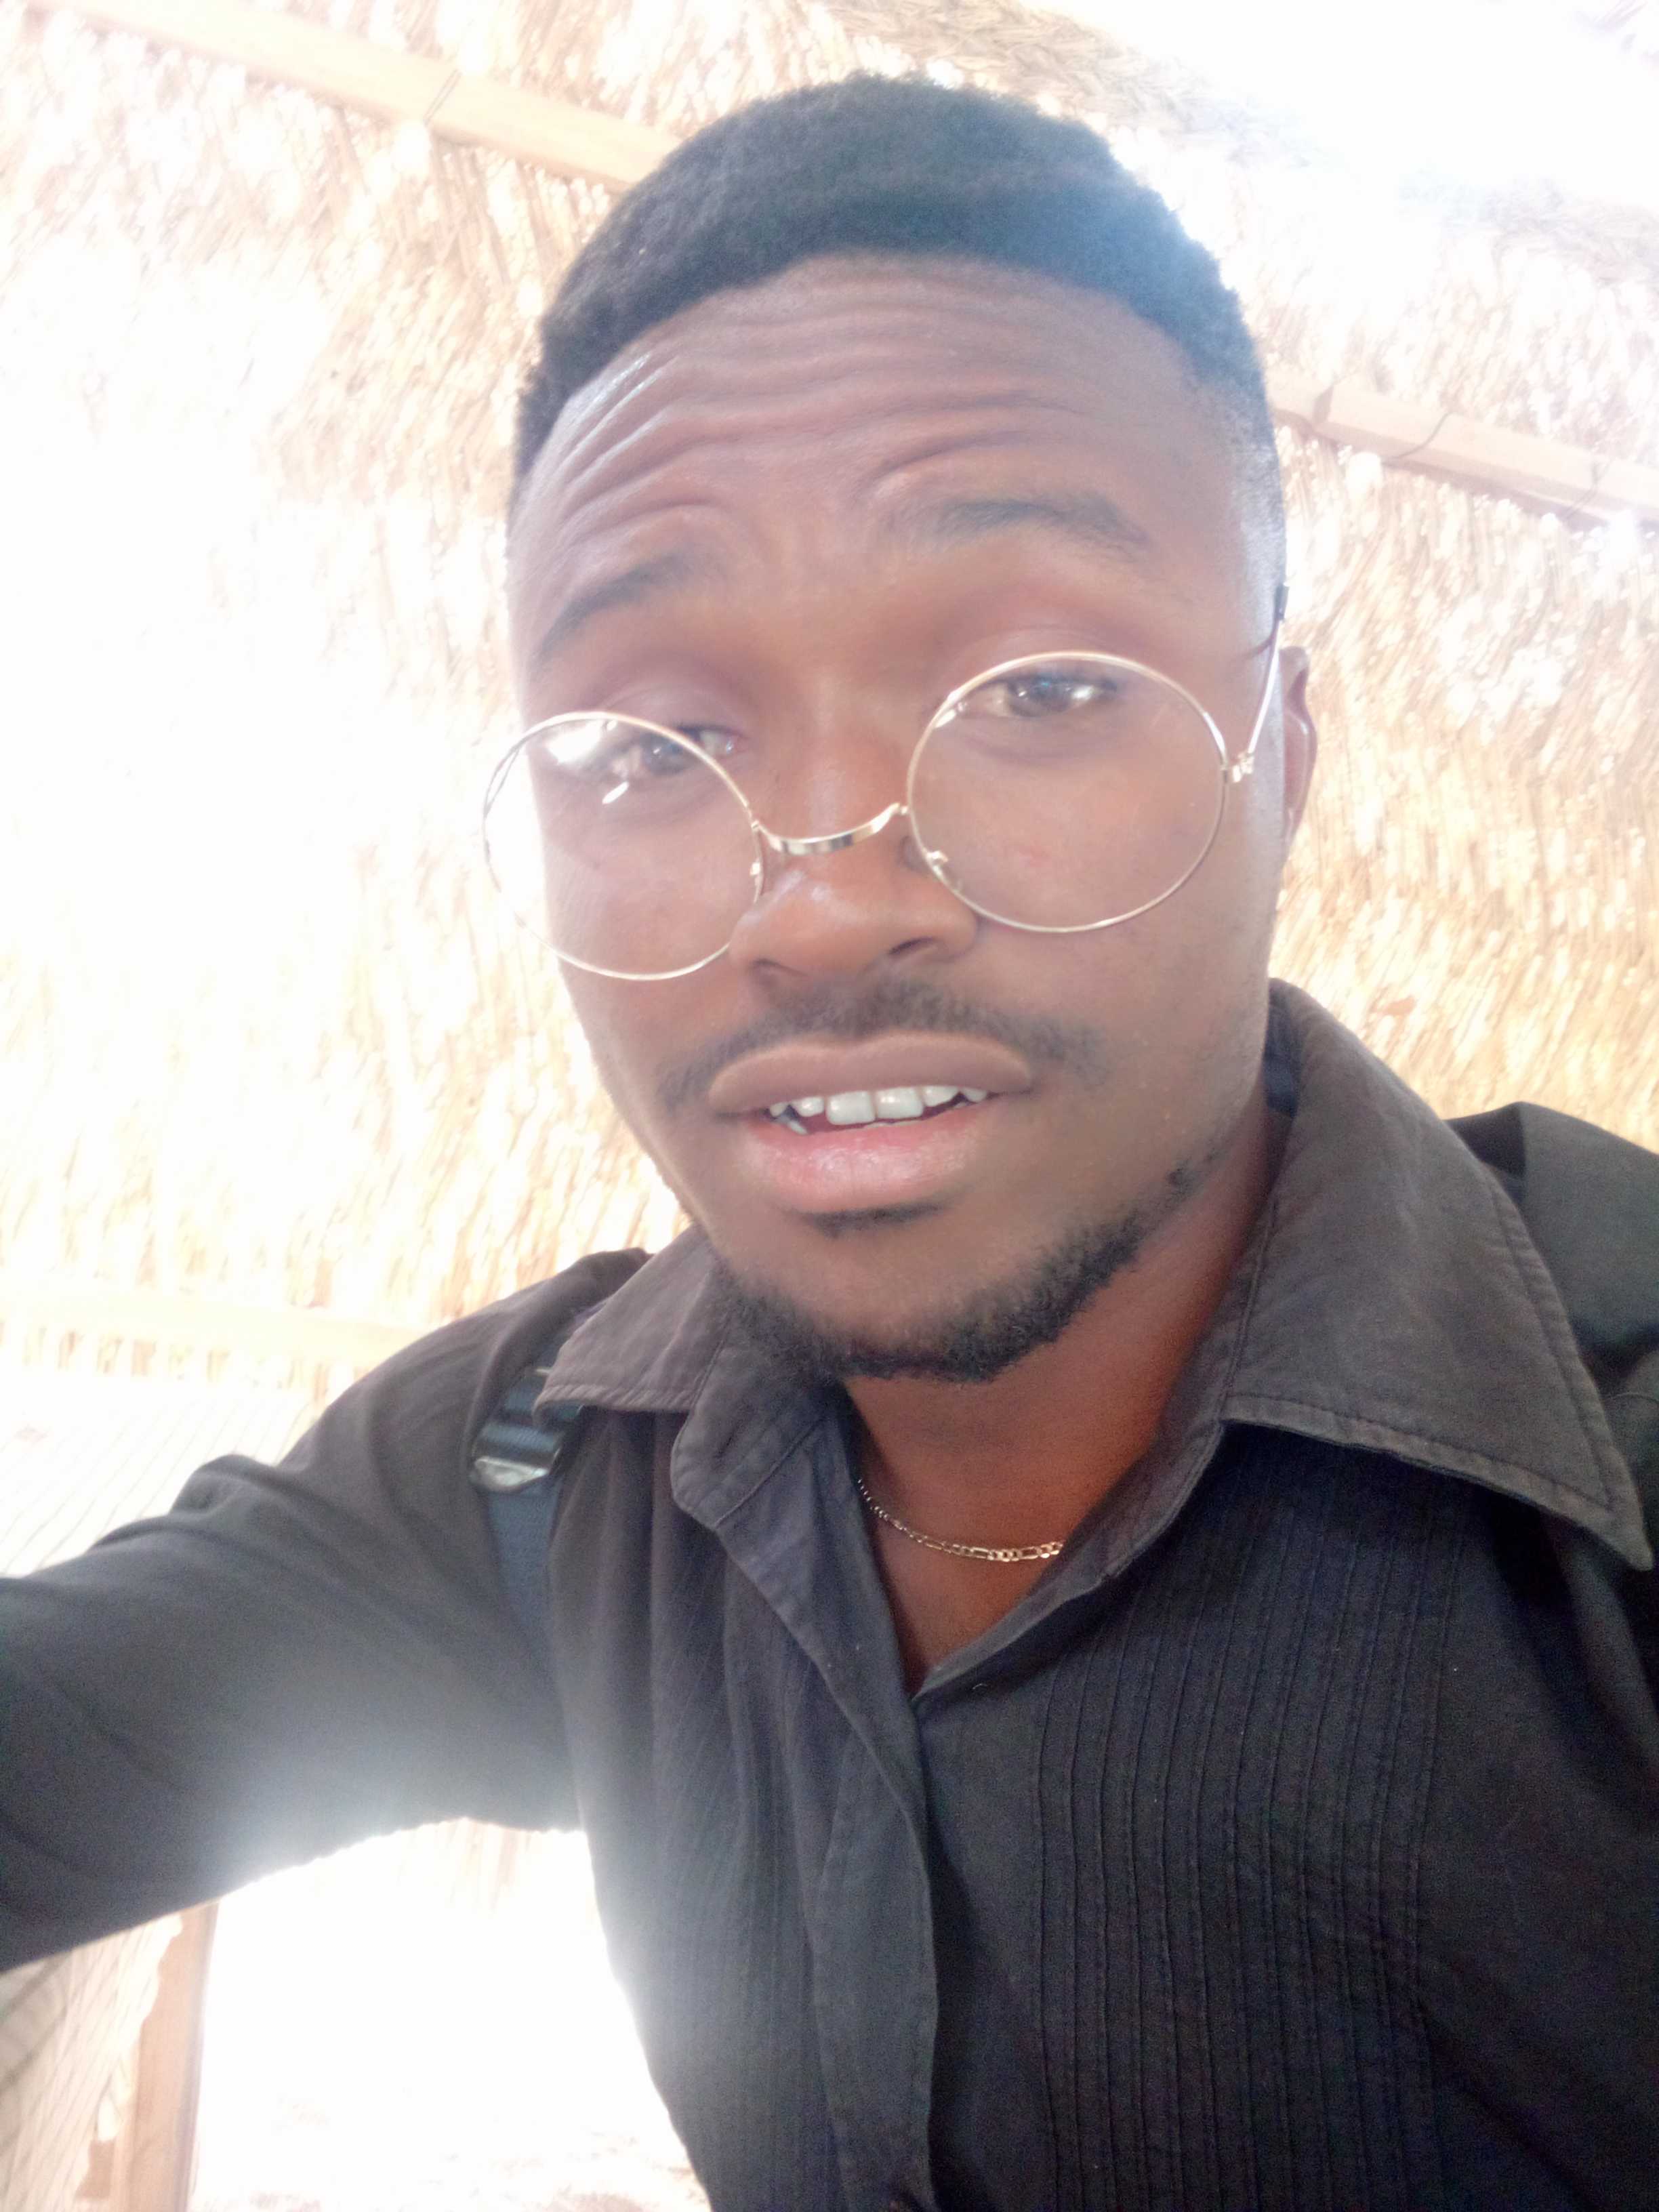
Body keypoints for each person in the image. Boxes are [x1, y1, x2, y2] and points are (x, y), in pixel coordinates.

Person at [3, 73, 1656, 2212]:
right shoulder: (550, 1482)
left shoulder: (1603, 1525)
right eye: (648, 739)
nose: (823, 906)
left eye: (1042, 688)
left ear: (1286, 755)